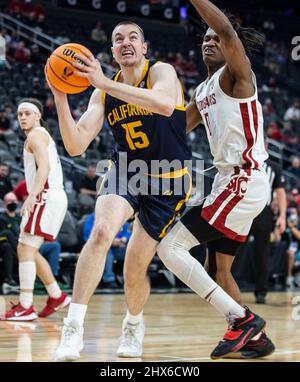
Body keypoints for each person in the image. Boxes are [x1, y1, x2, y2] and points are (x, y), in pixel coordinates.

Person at [46, 20, 264, 362]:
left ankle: (133, 325)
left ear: (145, 48)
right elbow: (75, 145)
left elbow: (164, 105)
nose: (125, 42)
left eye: (134, 37)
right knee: (102, 231)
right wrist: (60, 96)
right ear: (113, 51)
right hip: (127, 172)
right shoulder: (103, 90)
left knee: (135, 267)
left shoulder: (162, 71)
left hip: (168, 181)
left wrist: (103, 81)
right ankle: (73, 328)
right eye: (118, 39)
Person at [156, 0, 273, 359]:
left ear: (229, 45)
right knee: (219, 270)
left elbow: (224, 29)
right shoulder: (203, 90)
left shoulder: (237, 76)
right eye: (203, 38)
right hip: (232, 184)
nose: (209, 41)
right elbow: (177, 129)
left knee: (169, 248)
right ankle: (254, 339)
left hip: (243, 180)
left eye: (215, 39)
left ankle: (241, 319)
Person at [1, 98, 71, 321]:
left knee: (24, 248)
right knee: (29, 249)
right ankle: (56, 296)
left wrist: (31, 197)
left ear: (38, 115)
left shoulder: (35, 135)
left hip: (46, 196)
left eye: (27, 113)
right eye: (20, 114)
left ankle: (25, 306)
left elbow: (45, 168)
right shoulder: (39, 136)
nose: (22, 117)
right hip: (52, 196)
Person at [235, 157, 287, 304]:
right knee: (234, 249)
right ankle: (228, 287)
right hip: (243, 209)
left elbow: (281, 192)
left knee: (262, 253)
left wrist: (282, 216)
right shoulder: (242, 161)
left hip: (263, 212)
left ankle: (261, 292)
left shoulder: (273, 166)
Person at [83, 213, 131, 288]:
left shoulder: (120, 215)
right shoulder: (96, 215)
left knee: (132, 251)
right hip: (100, 247)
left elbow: (128, 231)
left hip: (118, 247)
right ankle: (109, 280)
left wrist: (124, 239)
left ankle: (130, 279)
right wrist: (110, 241)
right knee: (107, 252)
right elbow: (88, 233)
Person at [0, 192, 20, 291]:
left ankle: (9, 279)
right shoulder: (1, 217)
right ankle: (22, 255)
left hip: (15, 244)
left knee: (7, 246)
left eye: (14, 200)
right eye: (9, 201)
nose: (12, 203)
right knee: (8, 234)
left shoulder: (20, 218)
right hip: (3, 240)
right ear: (4, 203)